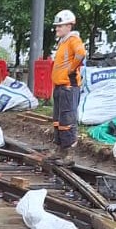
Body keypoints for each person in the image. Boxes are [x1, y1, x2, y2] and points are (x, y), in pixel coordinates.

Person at [50, 10, 86, 159]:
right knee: (58, 120)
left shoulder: (73, 40)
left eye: (60, 26)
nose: (57, 28)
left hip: (68, 87)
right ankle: (60, 150)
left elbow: (81, 53)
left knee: (67, 119)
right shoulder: (63, 42)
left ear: (69, 26)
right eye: (57, 26)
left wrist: (71, 69)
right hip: (60, 87)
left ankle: (69, 154)